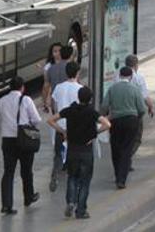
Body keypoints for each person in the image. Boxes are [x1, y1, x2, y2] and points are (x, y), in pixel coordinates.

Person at [47, 87, 110, 220]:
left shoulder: (70, 110)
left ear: (78, 97)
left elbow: (51, 120)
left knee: (72, 177)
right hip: (86, 151)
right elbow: (107, 124)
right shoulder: (92, 112)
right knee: (85, 181)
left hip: (72, 150)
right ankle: (81, 210)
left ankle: (70, 201)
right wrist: (94, 134)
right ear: (90, 99)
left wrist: (63, 131)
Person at [0, 76, 41, 215]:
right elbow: (36, 119)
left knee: (8, 172)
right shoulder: (26, 100)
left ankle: (6, 205)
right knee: (26, 170)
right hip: (24, 139)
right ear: (22, 87)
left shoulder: (1, 101)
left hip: (7, 140)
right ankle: (28, 197)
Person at [101, 67, 146, 189]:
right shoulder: (135, 90)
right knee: (127, 149)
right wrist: (137, 118)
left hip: (116, 121)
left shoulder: (112, 89)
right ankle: (122, 179)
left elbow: (104, 106)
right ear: (131, 77)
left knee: (116, 148)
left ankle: (117, 175)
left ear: (120, 75)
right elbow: (142, 109)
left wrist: (105, 116)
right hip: (131, 121)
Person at [49, 61, 82, 192]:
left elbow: (54, 105)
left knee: (58, 153)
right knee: (74, 155)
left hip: (60, 126)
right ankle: (72, 179)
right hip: (75, 128)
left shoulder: (58, 87)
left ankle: (55, 173)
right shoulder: (80, 89)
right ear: (77, 73)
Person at [123, 54, 154, 165]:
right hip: (134, 113)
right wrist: (150, 107)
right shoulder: (138, 77)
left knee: (123, 137)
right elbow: (145, 96)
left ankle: (124, 157)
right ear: (136, 65)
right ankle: (126, 157)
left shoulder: (118, 76)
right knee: (136, 138)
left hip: (120, 112)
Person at [44, 45, 74, 110]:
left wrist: (46, 100)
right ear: (71, 56)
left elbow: (46, 86)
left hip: (55, 100)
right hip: (68, 100)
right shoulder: (72, 68)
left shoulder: (51, 69)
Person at [40, 42, 63, 112]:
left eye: (60, 51)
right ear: (52, 54)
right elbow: (46, 85)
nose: (58, 53)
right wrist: (45, 102)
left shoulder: (68, 64)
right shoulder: (48, 67)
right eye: (55, 51)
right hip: (55, 98)